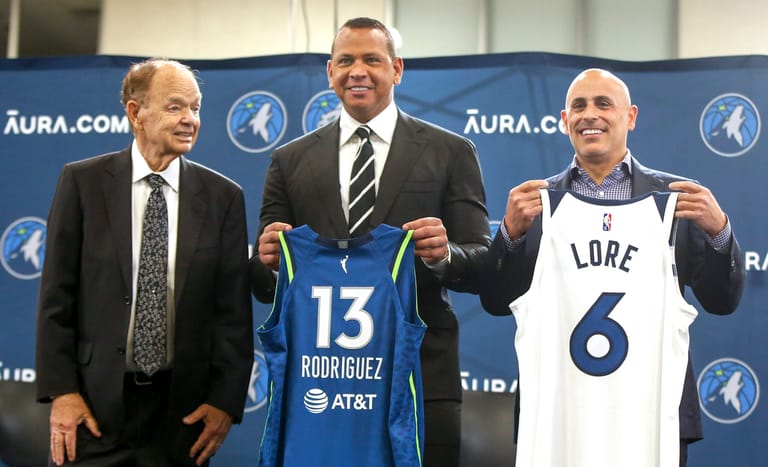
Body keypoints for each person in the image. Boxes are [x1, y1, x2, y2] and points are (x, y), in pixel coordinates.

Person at [250, 17, 491, 466]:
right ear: (329, 71)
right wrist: (264, 261)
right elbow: (268, 284)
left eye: (372, 60)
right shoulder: (288, 161)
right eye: (345, 60)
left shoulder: (451, 151)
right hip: (320, 384)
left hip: (419, 374)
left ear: (396, 69)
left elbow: (481, 263)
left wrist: (446, 255)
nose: (357, 71)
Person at [479, 68, 745, 466]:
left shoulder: (677, 202)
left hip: (651, 413)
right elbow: (497, 301)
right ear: (564, 120)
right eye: (579, 106)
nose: (591, 114)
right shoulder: (536, 205)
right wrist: (510, 237)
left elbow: (722, 301)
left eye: (604, 104)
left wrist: (720, 231)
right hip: (558, 415)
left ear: (630, 116)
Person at [35, 58, 254, 466]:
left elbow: (233, 315)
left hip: (181, 418)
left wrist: (225, 403)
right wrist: (62, 393)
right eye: (175, 107)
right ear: (136, 112)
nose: (190, 119)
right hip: (92, 410)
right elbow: (55, 299)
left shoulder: (223, 198)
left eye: (196, 107)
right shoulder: (82, 184)